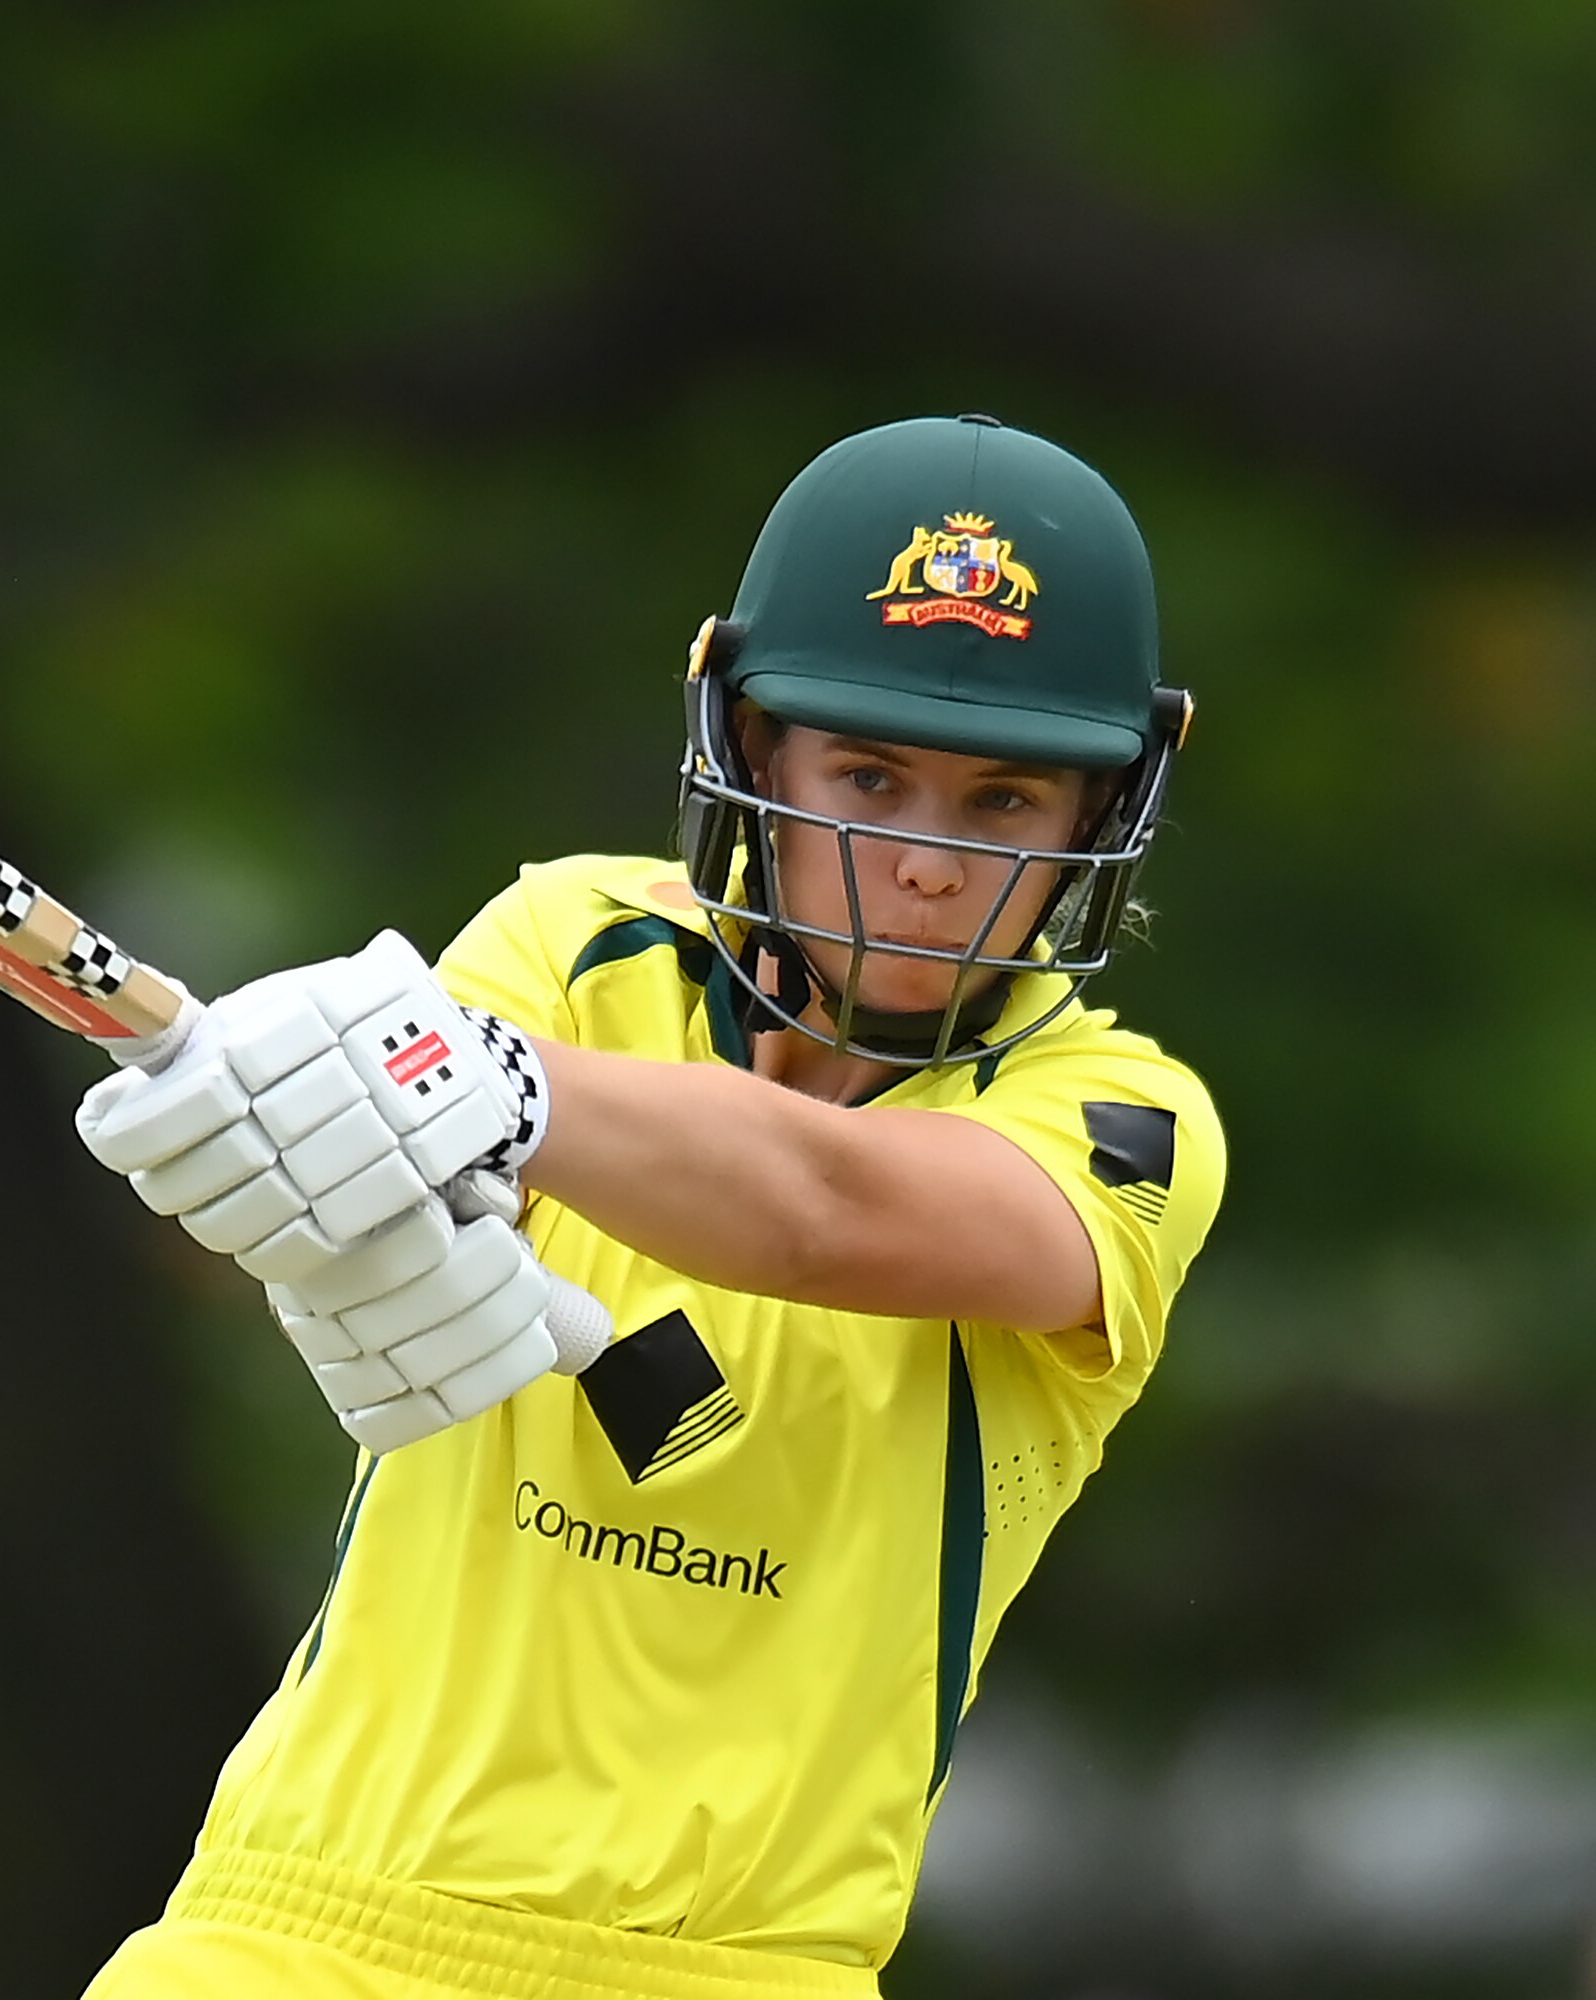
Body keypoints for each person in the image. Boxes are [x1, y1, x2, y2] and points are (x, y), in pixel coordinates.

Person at [71, 414, 1225, 1999]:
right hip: (292, 1933)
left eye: (1004, 801)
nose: (925, 864)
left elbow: (827, 1207)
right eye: (868, 776)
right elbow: (360, 1210)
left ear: (1101, 814)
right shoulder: (570, 942)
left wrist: (487, 1084)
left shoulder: (1124, 1121)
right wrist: (293, 1155)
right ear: (752, 749)